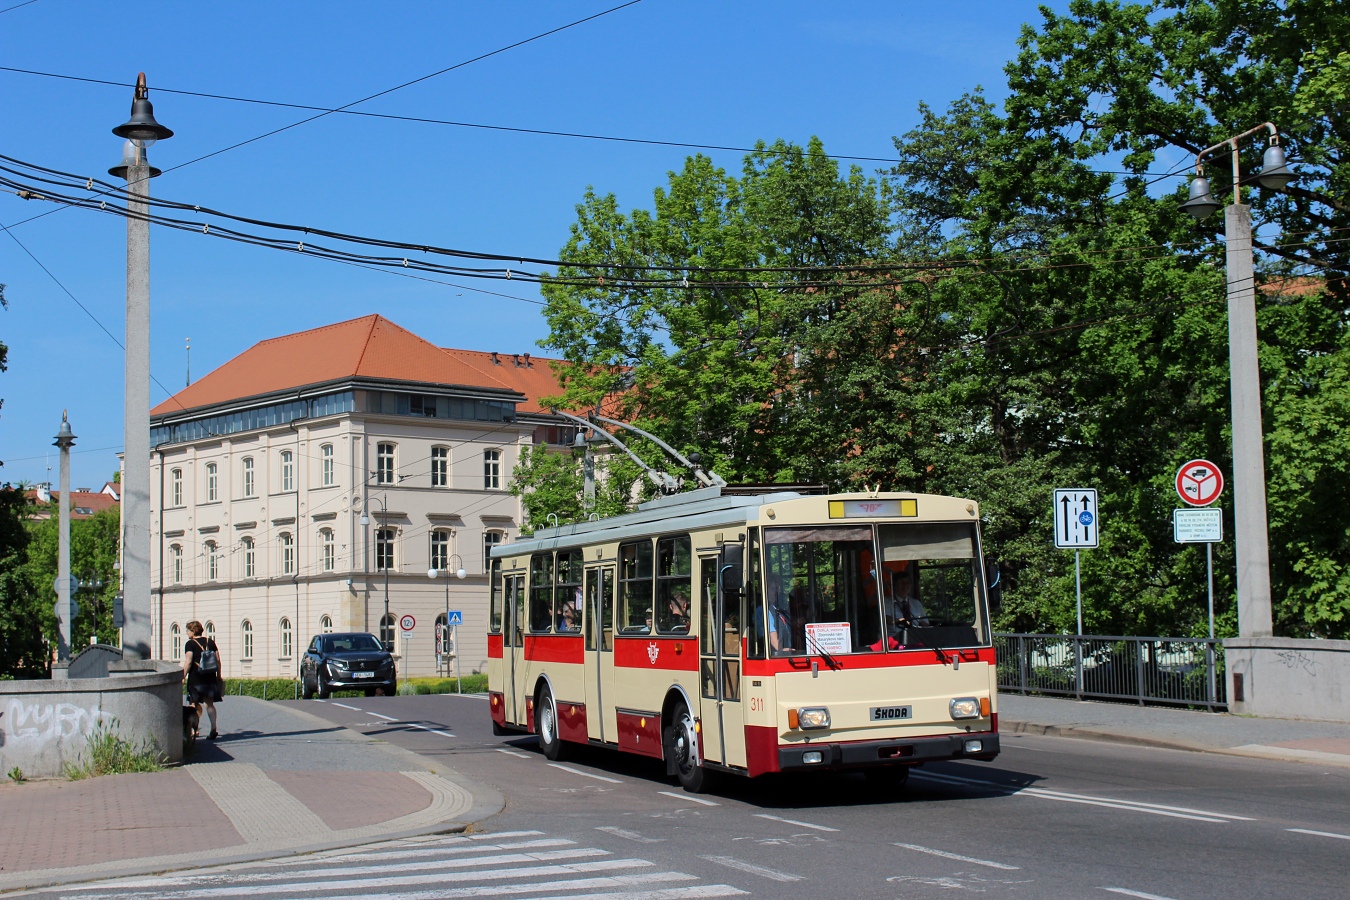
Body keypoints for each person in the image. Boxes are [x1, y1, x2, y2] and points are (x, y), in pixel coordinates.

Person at [182, 620, 222, 740]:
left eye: (188, 630)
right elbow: (218, 660)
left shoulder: (190, 644)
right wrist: (219, 675)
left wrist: (183, 676)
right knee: (209, 704)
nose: (187, 632)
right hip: (210, 677)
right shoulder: (210, 642)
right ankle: (213, 728)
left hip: (196, 677)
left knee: (193, 704)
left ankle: (193, 731)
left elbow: (188, 661)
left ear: (193, 631)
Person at [754, 576, 794, 655]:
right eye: (773, 589)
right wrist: (781, 649)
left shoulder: (776, 608)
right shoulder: (762, 610)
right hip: (772, 655)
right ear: (764, 590)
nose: (776, 592)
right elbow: (770, 632)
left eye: (777, 588)